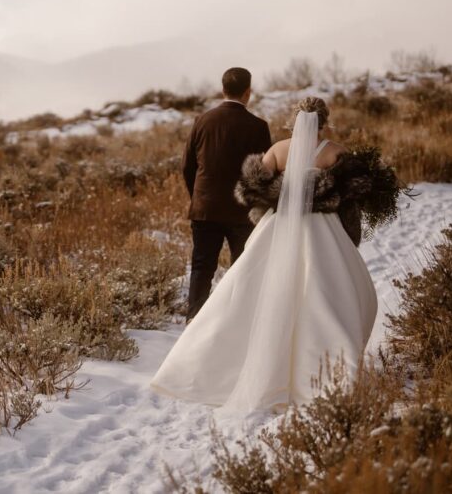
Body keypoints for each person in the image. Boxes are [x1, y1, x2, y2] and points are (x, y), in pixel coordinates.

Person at [151, 97, 379, 413]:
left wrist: (280, 196)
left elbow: (251, 188)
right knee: (326, 290)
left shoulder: (278, 150)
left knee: (253, 288)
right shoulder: (334, 151)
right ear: (323, 121)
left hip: (278, 226)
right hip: (322, 229)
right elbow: (354, 192)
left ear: (294, 120)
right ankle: (323, 370)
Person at [182, 67, 272, 321]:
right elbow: (264, 172)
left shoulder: (202, 121)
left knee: (202, 267)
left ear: (223, 89)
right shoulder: (258, 126)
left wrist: (198, 197)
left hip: (205, 207)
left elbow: (187, 166)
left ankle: (194, 320)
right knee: (242, 268)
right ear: (248, 92)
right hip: (241, 211)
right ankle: (237, 320)